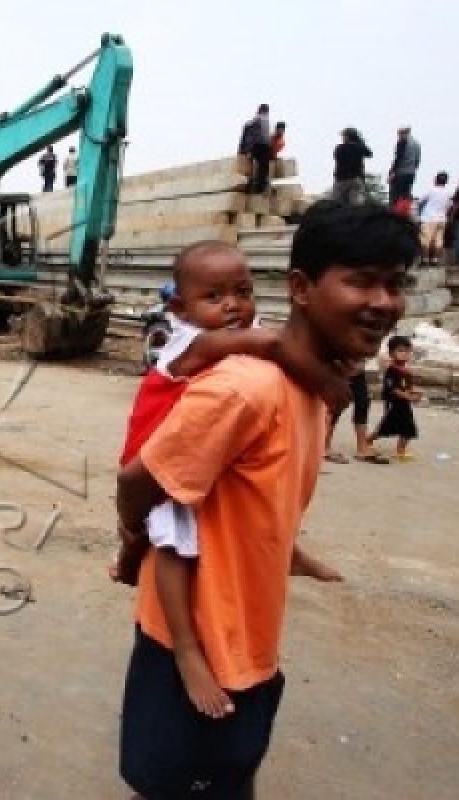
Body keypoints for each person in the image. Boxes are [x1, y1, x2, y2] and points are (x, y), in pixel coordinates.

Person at [116, 200, 418, 798]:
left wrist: (285, 549)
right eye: (360, 280)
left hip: (249, 638)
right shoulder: (245, 387)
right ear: (302, 288)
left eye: (394, 284)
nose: (382, 302)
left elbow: (260, 500)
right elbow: (135, 482)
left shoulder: (311, 387)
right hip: (198, 643)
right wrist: (134, 536)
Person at [108, 240, 349, 587]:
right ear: (180, 308)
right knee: (160, 534)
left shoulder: (223, 331)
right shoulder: (194, 342)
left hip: (188, 445)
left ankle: (289, 552)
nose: (233, 306)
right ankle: (130, 568)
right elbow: (270, 344)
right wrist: (328, 384)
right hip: (150, 452)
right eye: (214, 298)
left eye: (243, 292)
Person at [368, 335, 420, 461]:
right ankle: (368, 440)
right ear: (391, 353)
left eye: (407, 351)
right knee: (385, 426)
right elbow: (392, 389)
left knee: (408, 427)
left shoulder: (405, 370)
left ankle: (400, 450)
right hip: (394, 404)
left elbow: (407, 387)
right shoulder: (392, 370)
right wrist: (407, 396)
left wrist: (414, 392)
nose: (405, 354)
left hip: (404, 403)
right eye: (400, 351)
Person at [323, 367, 388, 464]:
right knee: (336, 406)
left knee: (363, 403)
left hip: (357, 372)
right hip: (339, 370)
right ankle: (325, 448)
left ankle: (362, 449)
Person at [417, 172, 454, 265]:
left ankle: (425, 259)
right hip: (442, 219)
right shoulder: (449, 192)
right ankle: (435, 260)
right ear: (446, 181)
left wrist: (419, 213)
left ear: (436, 179)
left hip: (428, 218)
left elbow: (420, 202)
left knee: (425, 240)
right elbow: (450, 206)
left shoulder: (430, 190)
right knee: (438, 240)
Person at [330, 127, 372, 206]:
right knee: (355, 207)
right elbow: (369, 153)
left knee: (336, 206)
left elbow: (336, 157)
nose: (342, 138)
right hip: (355, 179)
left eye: (343, 136)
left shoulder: (339, 148)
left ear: (347, 136)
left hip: (341, 179)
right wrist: (360, 142)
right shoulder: (359, 147)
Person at [238, 104, 272, 194]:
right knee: (260, 168)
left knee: (259, 168)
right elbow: (248, 132)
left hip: (261, 146)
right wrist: (246, 148)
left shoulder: (261, 120)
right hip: (259, 146)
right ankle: (257, 187)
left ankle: (257, 186)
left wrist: (243, 148)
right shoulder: (258, 120)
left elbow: (246, 132)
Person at [388, 126, 421, 206]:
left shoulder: (402, 141)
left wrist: (392, 172)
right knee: (406, 194)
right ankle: (404, 213)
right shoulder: (417, 144)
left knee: (395, 195)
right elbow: (417, 160)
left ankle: (393, 214)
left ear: (403, 133)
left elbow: (398, 158)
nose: (398, 136)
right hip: (411, 173)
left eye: (399, 134)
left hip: (401, 173)